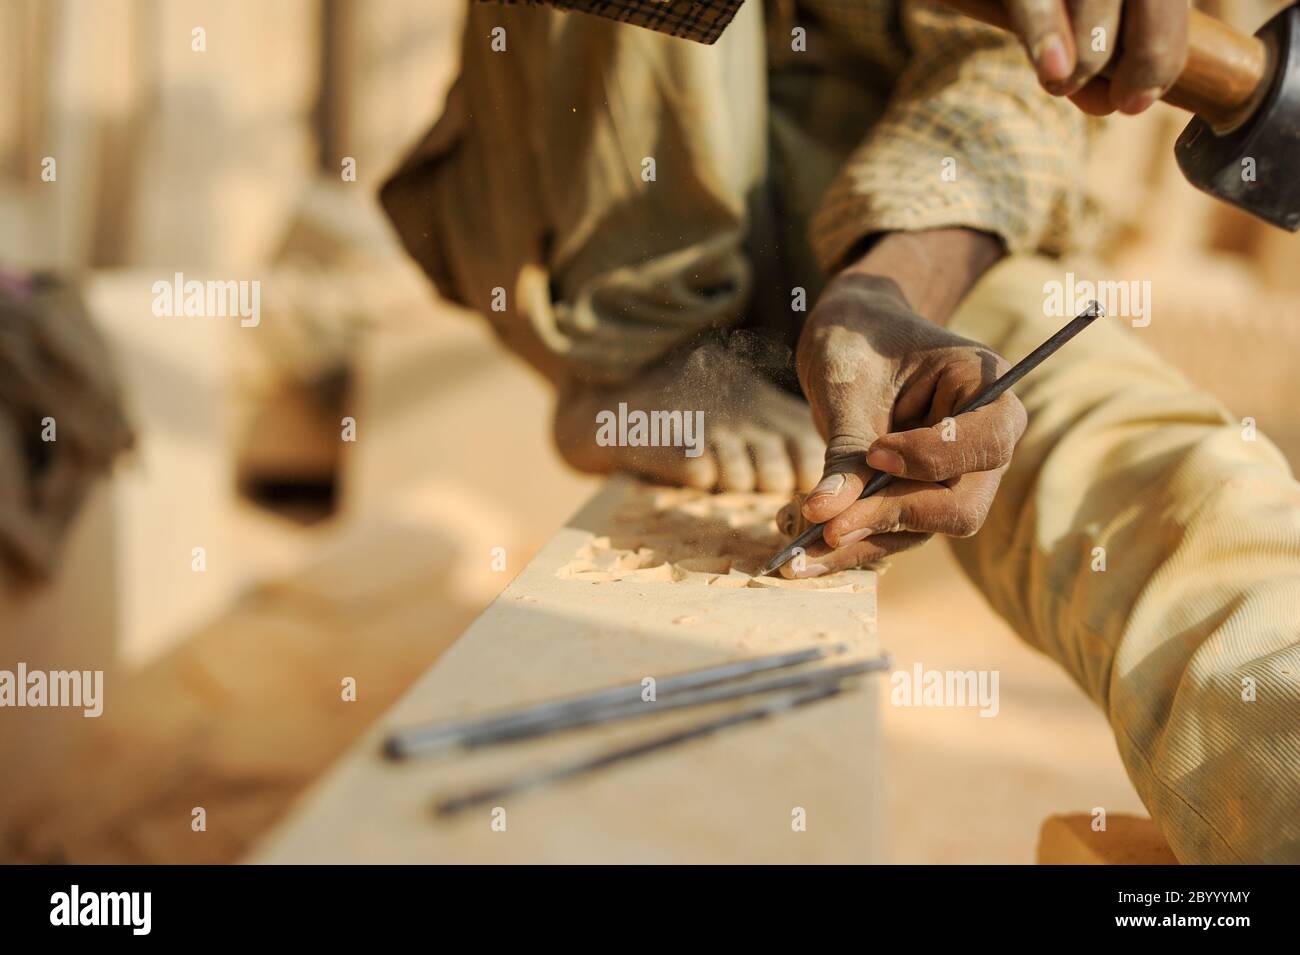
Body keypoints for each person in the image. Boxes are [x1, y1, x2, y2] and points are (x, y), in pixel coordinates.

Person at [382, 0, 1300, 862]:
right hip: (613, 190)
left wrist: (892, 283)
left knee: (1182, 492)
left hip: (912, 220)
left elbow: (1005, 79)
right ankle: (642, 340)